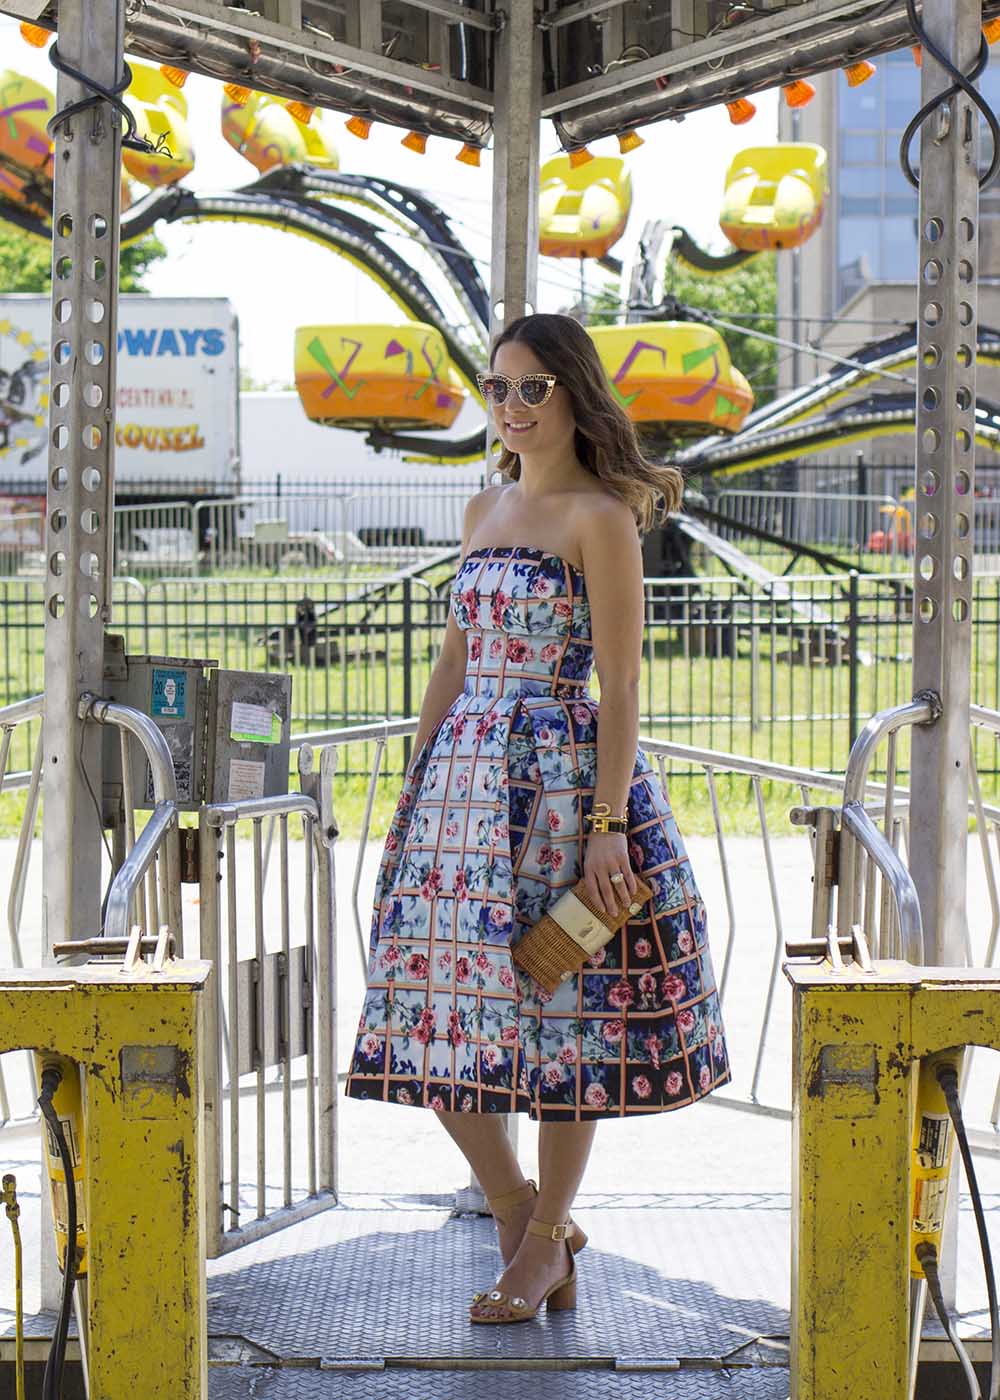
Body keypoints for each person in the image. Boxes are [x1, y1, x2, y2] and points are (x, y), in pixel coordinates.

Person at [345, 312, 732, 1324]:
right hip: (463, 795)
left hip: (561, 791)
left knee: (566, 1016)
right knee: (431, 1015)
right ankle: (525, 1211)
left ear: (572, 394)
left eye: (531, 388)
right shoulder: (481, 507)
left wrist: (606, 821)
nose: (511, 407)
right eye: (498, 387)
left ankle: (544, 1233)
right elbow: (455, 658)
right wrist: (417, 776)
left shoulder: (597, 518)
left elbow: (621, 684)